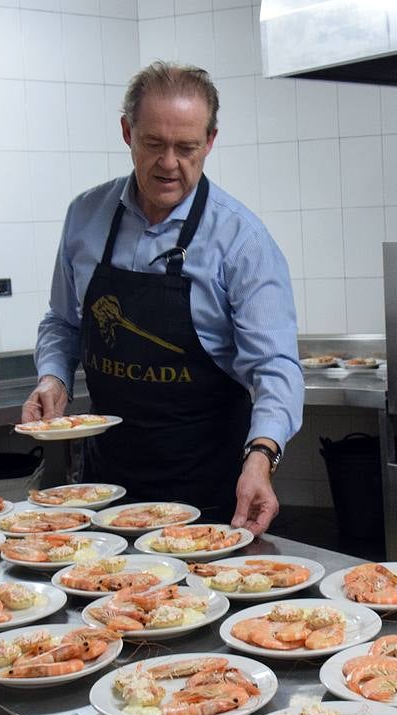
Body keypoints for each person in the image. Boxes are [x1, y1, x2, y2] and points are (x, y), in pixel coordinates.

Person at [25, 62, 302, 535]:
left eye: (187, 147)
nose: (169, 163)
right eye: (154, 144)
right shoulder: (85, 216)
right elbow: (63, 322)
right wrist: (54, 380)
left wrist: (262, 455)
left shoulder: (242, 241)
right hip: (104, 493)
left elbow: (275, 368)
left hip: (208, 496)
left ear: (210, 142)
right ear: (127, 132)